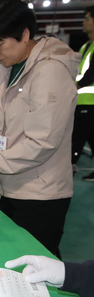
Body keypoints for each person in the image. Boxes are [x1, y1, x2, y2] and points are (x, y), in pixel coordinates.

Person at [0, 0, 80, 259]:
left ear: (24, 34)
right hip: (9, 185)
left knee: (37, 266)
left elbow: (41, 142)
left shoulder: (50, 71)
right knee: (10, 259)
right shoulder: (4, 70)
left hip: (40, 192)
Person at [72, 6, 94, 181]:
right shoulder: (85, 46)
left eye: (87, 18)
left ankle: (68, 168)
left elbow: (90, 74)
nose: (83, 22)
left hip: (89, 101)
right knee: (91, 138)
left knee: (77, 137)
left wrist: (75, 86)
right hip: (82, 100)